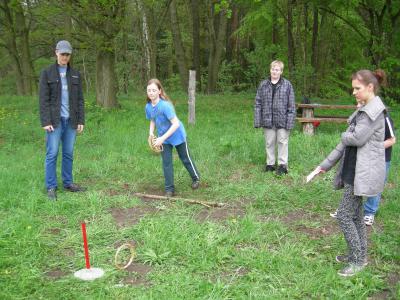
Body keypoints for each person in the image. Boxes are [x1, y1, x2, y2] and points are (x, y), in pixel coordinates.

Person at [310, 69, 387, 277]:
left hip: (363, 173)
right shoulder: (363, 109)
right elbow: (345, 143)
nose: (353, 92)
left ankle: (358, 260)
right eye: (353, 88)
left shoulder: (374, 112)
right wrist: (324, 165)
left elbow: (356, 138)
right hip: (353, 170)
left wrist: (345, 134)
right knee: (356, 215)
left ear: (370, 87)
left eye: (357, 88)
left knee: (344, 215)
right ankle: (360, 253)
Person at [39, 40, 86, 200]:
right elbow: (43, 100)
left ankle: (68, 183)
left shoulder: (75, 74)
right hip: (54, 122)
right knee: (52, 153)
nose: (65, 57)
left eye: (67, 54)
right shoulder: (47, 73)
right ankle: (51, 187)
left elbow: (79, 99)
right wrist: (46, 121)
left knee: (68, 153)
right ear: (56, 53)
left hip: (71, 121)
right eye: (62, 54)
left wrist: (81, 120)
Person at [330, 111, 395, 226]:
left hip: (381, 157)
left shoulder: (384, 117)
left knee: (375, 184)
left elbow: (392, 140)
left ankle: (369, 213)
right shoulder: (360, 115)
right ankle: (346, 209)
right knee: (354, 181)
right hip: (363, 157)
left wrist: (372, 148)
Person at [145, 78, 200, 197]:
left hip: (177, 134)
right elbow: (152, 119)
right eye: (149, 90)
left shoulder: (165, 106)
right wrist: (151, 133)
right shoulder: (148, 107)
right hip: (163, 138)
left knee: (185, 158)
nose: (151, 93)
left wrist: (161, 138)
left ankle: (196, 178)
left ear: (159, 91)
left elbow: (176, 124)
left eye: (154, 90)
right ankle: (169, 189)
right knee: (166, 162)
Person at [254, 60, 296, 175]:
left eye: (277, 69)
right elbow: (258, 103)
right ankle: (270, 164)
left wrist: (290, 122)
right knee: (269, 142)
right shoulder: (263, 84)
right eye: (273, 69)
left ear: (281, 71)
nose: (274, 71)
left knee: (282, 142)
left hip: (282, 119)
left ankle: (283, 165)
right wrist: (258, 120)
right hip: (267, 119)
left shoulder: (287, 85)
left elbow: (291, 105)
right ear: (270, 70)